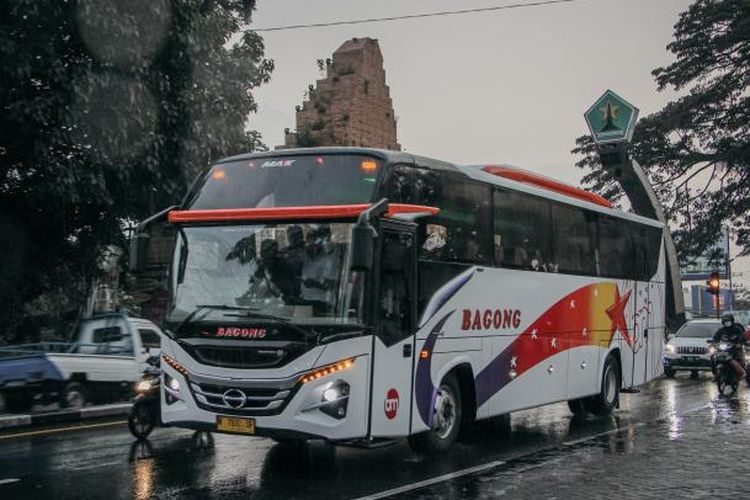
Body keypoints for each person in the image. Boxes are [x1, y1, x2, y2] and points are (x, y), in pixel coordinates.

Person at [711, 313, 749, 385]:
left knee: (735, 360)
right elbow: (715, 338)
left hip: (735, 349)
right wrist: (713, 343)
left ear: (732, 321)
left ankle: (742, 373)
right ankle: (716, 375)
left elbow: (742, 337)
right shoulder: (721, 330)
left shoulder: (737, 329)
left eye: (728, 321)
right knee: (713, 358)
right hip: (724, 350)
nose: (727, 323)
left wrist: (739, 343)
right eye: (725, 321)